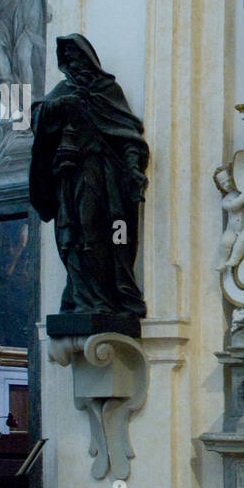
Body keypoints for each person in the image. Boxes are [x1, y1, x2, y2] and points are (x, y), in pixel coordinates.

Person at [29, 35, 149, 322]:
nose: (73, 65)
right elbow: (37, 115)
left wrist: (133, 168)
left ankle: (106, 297)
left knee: (97, 228)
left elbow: (127, 136)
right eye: (68, 60)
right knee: (70, 233)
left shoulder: (108, 91)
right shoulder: (65, 89)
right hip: (68, 175)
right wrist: (61, 105)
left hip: (101, 174)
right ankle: (82, 297)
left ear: (88, 59)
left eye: (77, 58)